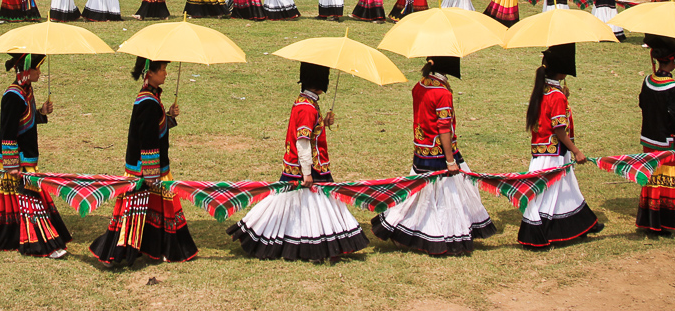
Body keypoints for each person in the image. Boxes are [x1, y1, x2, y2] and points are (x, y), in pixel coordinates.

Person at [229, 62, 368, 261]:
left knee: (299, 203)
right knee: (311, 204)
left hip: (306, 165)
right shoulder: (307, 108)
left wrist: (323, 122)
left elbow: (310, 133)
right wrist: (307, 172)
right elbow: (302, 141)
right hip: (308, 166)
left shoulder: (306, 103)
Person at [372, 56, 496, 255]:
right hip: (440, 152)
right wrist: (450, 160)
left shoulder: (420, 85)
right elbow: (444, 128)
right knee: (448, 195)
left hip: (422, 149)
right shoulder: (442, 93)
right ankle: (445, 235)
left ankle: (406, 229)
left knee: (420, 195)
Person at [90, 57, 198, 265]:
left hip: (150, 168)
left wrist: (168, 117)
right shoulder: (148, 102)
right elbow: (147, 138)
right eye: (163, 69)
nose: (166, 73)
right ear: (150, 73)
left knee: (147, 210)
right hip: (147, 169)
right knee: (147, 210)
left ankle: (153, 246)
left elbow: (153, 128)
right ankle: (150, 248)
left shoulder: (150, 98)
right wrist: (150, 174)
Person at [0, 53, 71, 257]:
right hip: (17, 161)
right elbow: (7, 131)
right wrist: (12, 165)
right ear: (26, 70)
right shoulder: (12, 95)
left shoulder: (26, 91)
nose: (40, 73)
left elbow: (25, 119)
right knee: (29, 202)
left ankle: (21, 237)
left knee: (21, 203)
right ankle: (42, 243)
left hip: (26, 158)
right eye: (37, 68)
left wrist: (41, 112)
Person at [517, 43, 602, 247]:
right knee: (548, 192)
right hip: (553, 152)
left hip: (544, 149)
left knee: (565, 187)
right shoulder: (556, 96)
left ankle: (580, 224)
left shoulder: (547, 90)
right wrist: (576, 150)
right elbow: (559, 129)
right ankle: (542, 232)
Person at [636, 35, 675, 235]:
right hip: (666, 143)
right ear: (674, 62)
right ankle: (663, 223)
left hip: (648, 139)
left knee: (650, 179)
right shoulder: (673, 88)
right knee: (665, 180)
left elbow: (643, 104)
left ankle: (648, 219)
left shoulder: (647, 81)